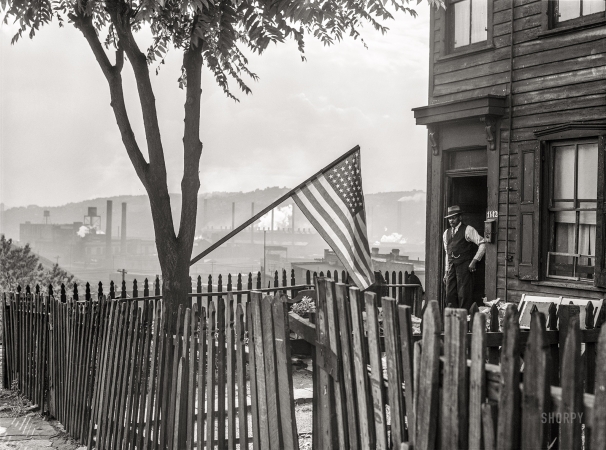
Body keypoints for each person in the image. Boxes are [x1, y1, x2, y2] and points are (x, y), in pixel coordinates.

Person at [442, 205, 486, 311]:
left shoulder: (468, 229)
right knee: (450, 294)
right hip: (452, 267)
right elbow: (447, 253)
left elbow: (483, 243)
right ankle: (452, 320)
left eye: (454, 218)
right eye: (449, 218)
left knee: (464, 294)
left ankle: (464, 322)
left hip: (464, 267)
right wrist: (446, 271)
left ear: (460, 217)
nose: (451, 220)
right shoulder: (446, 233)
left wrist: (474, 261)